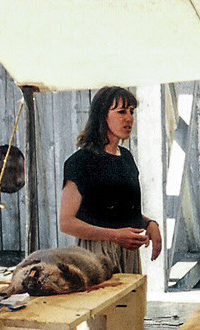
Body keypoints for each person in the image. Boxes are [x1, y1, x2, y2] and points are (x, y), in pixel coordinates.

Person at [60, 86, 162, 274]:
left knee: (130, 303)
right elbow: (66, 222)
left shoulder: (126, 157)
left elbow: (119, 212)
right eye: (121, 111)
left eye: (131, 111)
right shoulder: (81, 162)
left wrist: (149, 224)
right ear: (102, 116)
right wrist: (114, 236)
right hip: (96, 256)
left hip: (128, 254)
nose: (129, 118)